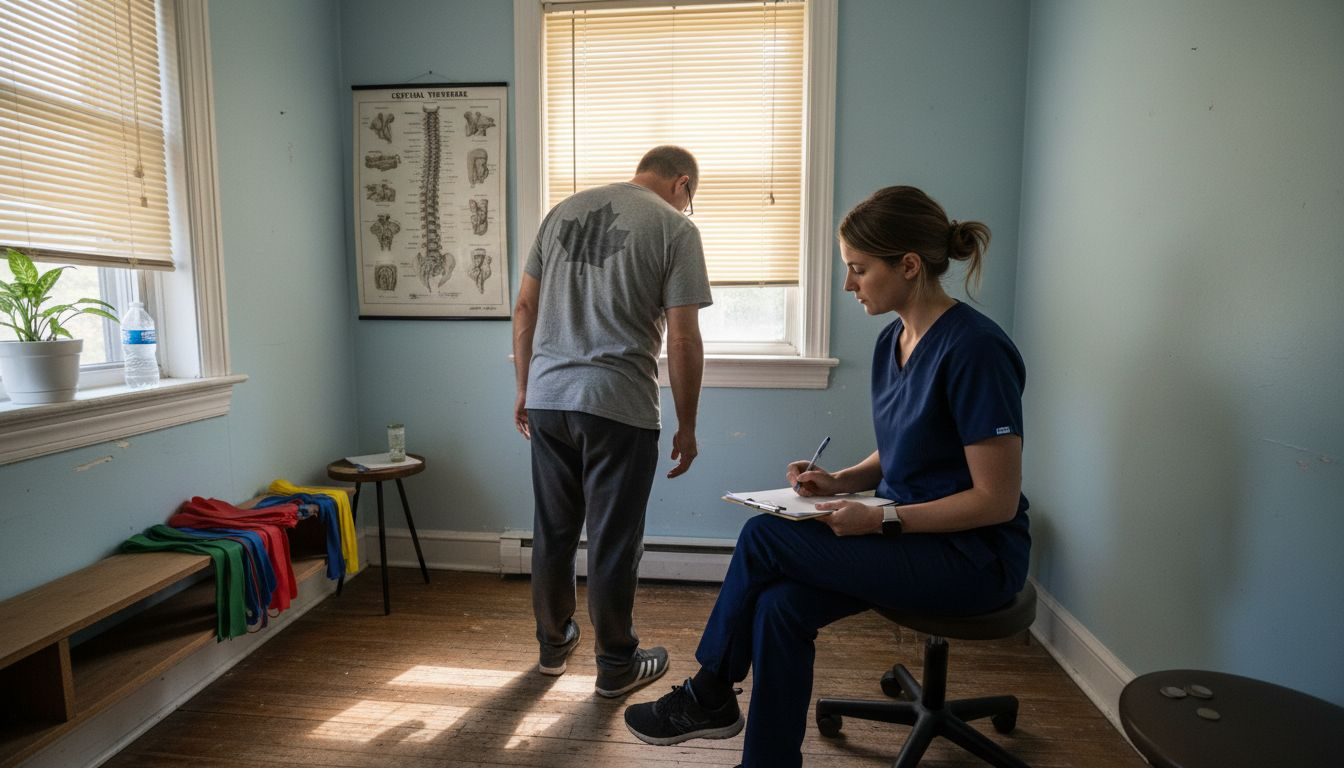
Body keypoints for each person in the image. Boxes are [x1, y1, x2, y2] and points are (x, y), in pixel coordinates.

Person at [623, 185, 1031, 767]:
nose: (848, 285)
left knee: (764, 537)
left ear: (909, 266)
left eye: (859, 270)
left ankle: (710, 692)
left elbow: (995, 499)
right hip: (913, 537)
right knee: (779, 608)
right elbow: (909, 448)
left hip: (974, 556)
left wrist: (881, 516)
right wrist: (841, 481)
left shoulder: (978, 351)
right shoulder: (896, 337)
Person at [512, 145, 713, 698]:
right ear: (682, 184)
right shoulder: (675, 228)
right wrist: (687, 425)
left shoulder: (563, 212)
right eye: (689, 197)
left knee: (553, 530)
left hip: (550, 398)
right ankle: (616, 664)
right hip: (618, 405)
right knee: (612, 540)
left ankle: (553, 648)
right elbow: (685, 336)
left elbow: (525, 307)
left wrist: (526, 387)